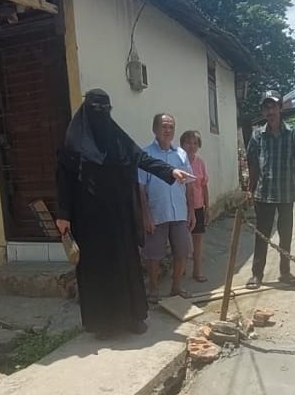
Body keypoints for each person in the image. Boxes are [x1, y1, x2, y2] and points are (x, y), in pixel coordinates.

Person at [55, 89, 193, 338]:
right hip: (89, 221)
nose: (101, 116)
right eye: (96, 110)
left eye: (105, 110)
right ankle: (103, 324)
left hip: (119, 218)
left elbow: (141, 158)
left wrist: (170, 172)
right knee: (98, 270)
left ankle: (132, 318)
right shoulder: (73, 143)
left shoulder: (116, 138)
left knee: (126, 264)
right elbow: (63, 180)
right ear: (86, 111)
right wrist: (63, 214)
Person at [245, 90, 295, 289]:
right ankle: (257, 275)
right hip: (264, 193)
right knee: (262, 236)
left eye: (273, 106)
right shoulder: (257, 136)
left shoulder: (293, 134)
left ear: (280, 108)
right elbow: (253, 165)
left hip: (286, 193)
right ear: (263, 112)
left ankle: (285, 272)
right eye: (266, 107)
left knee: (285, 235)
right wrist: (250, 189)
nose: (270, 111)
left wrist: (294, 173)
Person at [139, 114, 196, 301]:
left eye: (171, 127)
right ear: (154, 129)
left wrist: (191, 211)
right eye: (164, 126)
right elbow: (141, 188)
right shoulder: (146, 155)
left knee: (182, 251)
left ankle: (176, 288)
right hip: (157, 213)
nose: (168, 130)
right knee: (154, 255)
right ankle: (153, 290)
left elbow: (189, 185)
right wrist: (146, 216)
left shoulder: (181, 154)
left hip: (179, 212)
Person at [180, 129, 210, 283]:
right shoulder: (177, 161)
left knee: (197, 241)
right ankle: (181, 269)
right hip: (181, 208)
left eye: (195, 143)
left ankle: (197, 271)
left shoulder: (200, 163)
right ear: (182, 144)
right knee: (181, 241)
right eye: (188, 143)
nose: (191, 146)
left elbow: (204, 186)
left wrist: (207, 207)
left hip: (198, 207)